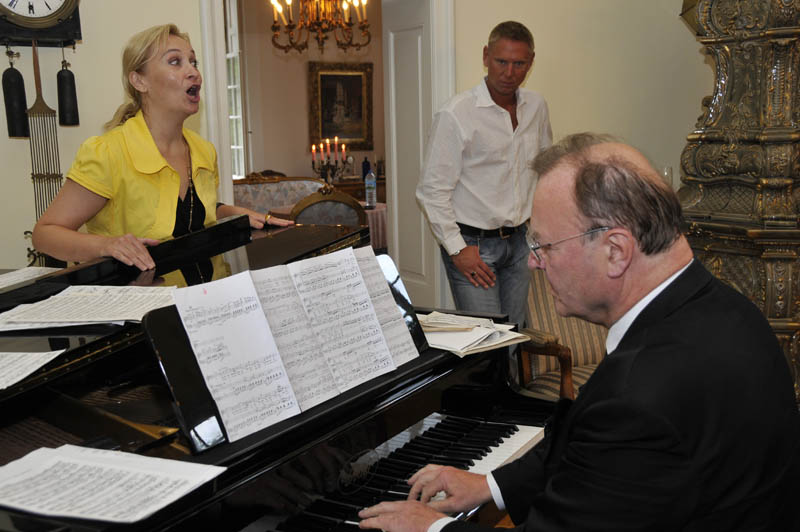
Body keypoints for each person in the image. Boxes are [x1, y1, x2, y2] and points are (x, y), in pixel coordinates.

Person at [359, 133, 800, 531]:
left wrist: (431, 529)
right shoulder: (725, 310)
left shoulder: (641, 399)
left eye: (543, 245)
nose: (532, 262)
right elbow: (587, 449)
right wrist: (491, 484)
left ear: (615, 251)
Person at [32, 24, 291, 272]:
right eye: (175, 61)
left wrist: (233, 213)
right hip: (139, 299)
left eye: (193, 62)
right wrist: (106, 245)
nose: (194, 72)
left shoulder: (204, 151)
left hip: (205, 293)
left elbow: (188, 215)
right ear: (139, 81)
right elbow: (45, 234)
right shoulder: (107, 153)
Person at [416, 20, 552, 331]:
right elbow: (431, 190)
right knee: (485, 340)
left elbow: (545, 170)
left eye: (519, 63)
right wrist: (457, 248)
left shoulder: (537, 107)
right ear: (485, 56)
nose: (509, 72)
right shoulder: (456, 113)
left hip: (521, 241)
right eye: (501, 61)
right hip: (473, 246)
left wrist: (542, 233)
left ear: (531, 61)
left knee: (514, 334)